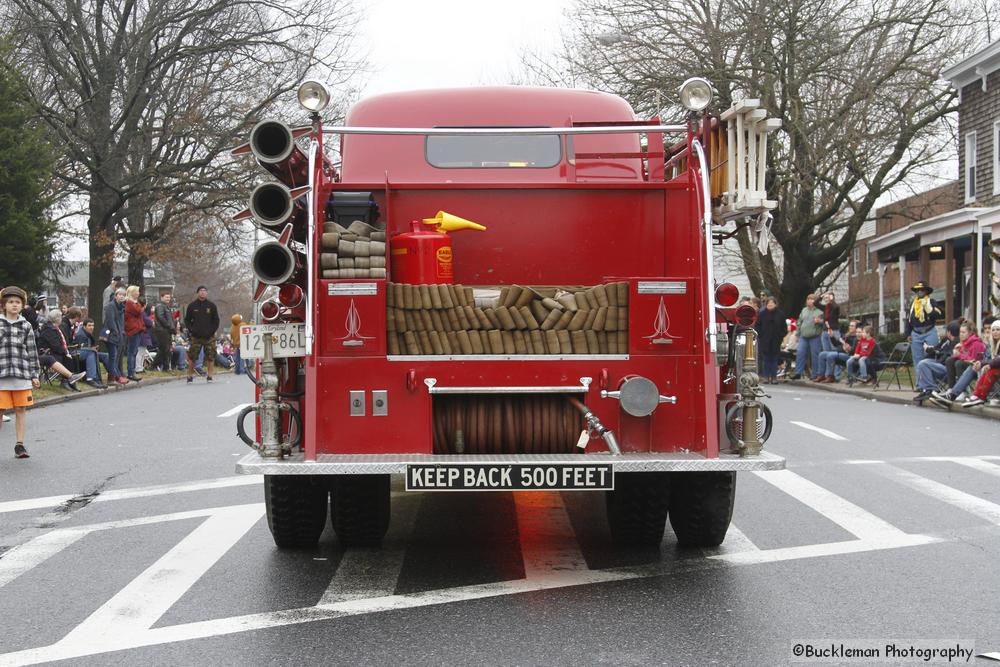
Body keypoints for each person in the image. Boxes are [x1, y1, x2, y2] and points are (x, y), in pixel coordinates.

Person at [0, 286, 41, 459]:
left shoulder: (26, 326)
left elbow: (32, 351)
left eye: (17, 302)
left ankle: (20, 445)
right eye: (10, 302)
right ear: (4, 305)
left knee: (20, 409)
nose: (14, 305)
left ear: (22, 305)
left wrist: (34, 374)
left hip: (21, 373)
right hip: (1, 374)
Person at [929, 321, 987, 407]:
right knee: (950, 360)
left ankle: (961, 392)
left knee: (959, 363)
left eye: (964, 332)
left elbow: (973, 359)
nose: (961, 334)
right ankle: (951, 389)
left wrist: (960, 355)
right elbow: (962, 356)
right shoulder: (963, 343)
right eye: (960, 332)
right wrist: (956, 353)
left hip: (976, 368)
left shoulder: (976, 343)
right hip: (968, 366)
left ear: (970, 333)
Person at [37, 310, 87, 392]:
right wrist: (65, 352)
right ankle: (66, 381)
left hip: (53, 351)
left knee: (72, 356)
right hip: (47, 353)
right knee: (68, 357)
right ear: (57, 319)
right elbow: (55, 345)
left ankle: (71, 382)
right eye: (60, 317)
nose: (61, 319)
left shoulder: (55, 328)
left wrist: (66, 351)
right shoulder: (48, 329)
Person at [913, 320, 960, 401]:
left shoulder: (957, 343)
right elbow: (937, 348)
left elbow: (947, 355)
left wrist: (937, 352)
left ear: (949, 332)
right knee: (923, 362)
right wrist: (929, 349)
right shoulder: (946, 340)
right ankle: (926, 389)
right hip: (940, 363)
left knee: (923, 364)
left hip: (948, 369)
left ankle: (931, 389)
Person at [957, 321, 1000, 408]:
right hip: (993, 366)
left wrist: (984, 363)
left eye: (998, 330)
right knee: (987, 369)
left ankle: (980, 397)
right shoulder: (993, 344)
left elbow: (998, 359)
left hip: (994, 367)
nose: (995, 332)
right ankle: (977, 395)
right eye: (993, 330)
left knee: (990, 370)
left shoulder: (977, 343)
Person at [184, 286, 220, 383]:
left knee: (210, 356)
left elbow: (216, 320)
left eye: (204, 291)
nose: (203, 293)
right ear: (197, 293)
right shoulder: (192, 306)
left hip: (209, 336)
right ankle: (190, 376)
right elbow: (187, 320)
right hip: (196, 336)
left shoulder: (211, 306)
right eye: (201, 291)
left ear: (207, 293)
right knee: (192, 356)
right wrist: (191, 330)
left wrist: (212, 331)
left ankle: (210, 376)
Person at [905, 280, 942, 367]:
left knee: (932, 356)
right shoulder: (913, 304)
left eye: (922, 290)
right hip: (916, 333)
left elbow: (938, 315)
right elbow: (909, 319)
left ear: (926, 291)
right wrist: (908, 334)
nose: (919, 292)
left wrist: (927, 307)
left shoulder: (931, 302)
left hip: (929, 331)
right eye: (918, 290)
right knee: (917, 359)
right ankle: (919, 380)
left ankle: (932, 379)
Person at [793, 293, 823, 380]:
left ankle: (815, 374)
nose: (809, 301)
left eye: (811, 299)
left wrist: (820, 321)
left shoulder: (820, 311)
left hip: (815, 336)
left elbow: (825, 322)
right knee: (800, 353)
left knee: (815, 355)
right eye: (808, 299)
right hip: (803, 336)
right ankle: (798, 372)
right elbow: (799, 322)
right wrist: (797, 334)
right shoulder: (804, 310)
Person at [102, 288, 128, 386]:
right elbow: (110, 320)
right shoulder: (111, 306)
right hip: (111, 335)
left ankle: (117, 376)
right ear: (116, 295)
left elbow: (121, 321)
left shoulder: (121, 306)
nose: (122, 296)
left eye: (124, 295)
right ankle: (112, 378)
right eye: (120, 294)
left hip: (119, 334)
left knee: (116, 356)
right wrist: (116, 331)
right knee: (113, 356)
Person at [755, 297, 785, 384]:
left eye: (772, 303)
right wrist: (760, 335)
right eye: (768, 303)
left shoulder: (780, 314)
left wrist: (781, 336)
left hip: (776, 340)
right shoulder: (762, 314)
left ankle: (774, 377)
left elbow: (784, 327)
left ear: (775, 304)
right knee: (766, 359)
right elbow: (758, 325)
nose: (770, 305)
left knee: (774, 359)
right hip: (765, 340)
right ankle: (766, 376)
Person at [74, 318, 110, 388]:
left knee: (106, 355)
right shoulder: (81, 335)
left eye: (93, 325)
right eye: (89, 325)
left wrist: (94, 348)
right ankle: (91, 378)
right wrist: (92, 349)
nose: (91, 327)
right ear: (84, 326)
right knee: (91, 353)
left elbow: (89, 346)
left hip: (89, 351)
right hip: (78, 353)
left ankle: (113, 375)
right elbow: (80, 348)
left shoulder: (88, 333)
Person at [123, 285, 144, 382]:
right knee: (132, 352)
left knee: (134, 351)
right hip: (133, 329)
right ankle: (131, 372)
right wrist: (139, 305)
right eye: (137, 292)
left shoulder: (134, 303)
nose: (138, 293)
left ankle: (132, 370)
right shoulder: (130, 303)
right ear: (132, 292)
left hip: (137, 328)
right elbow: (138, 311)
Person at [153, 292, 176, 371]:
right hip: (162, 330)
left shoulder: (166, 306)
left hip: (166, 330)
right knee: (164, 349)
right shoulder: (160, 306)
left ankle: (164, 367)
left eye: (169, 297)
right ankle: (156, 365)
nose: (168, 299)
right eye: (166, 297)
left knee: (166, 350)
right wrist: (169, 326)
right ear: (161, 297)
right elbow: (160, 317)